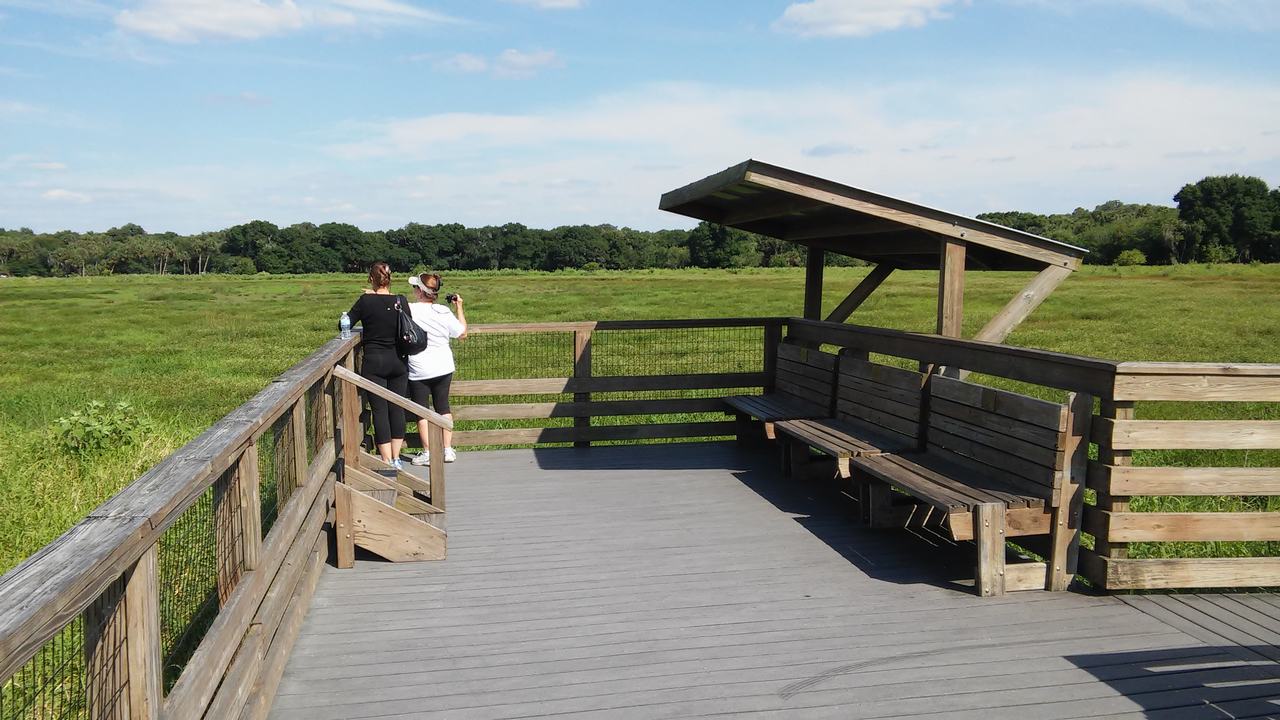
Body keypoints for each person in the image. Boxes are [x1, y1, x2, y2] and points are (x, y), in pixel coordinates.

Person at [346, 262, 408, 469]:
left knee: (379, 410)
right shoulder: (401, 300)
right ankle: (398, 458)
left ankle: (387, 460)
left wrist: (369, 298)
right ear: (390, 279)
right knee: (397, 408)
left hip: (374, 361)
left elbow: (345, 323)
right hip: (398, 361)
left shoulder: (365, 301)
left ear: (371, 279)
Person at [405, 272, 467, 465]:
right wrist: (459, 307)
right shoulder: (443, 311)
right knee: (443, 406)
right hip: (443, 366)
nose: (413, 290)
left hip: (419, 367)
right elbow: (462, 333)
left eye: (415, 287)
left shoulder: (410, 310)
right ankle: (447, 450)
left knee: (421, 410)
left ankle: (428, 452)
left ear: (420, 292)